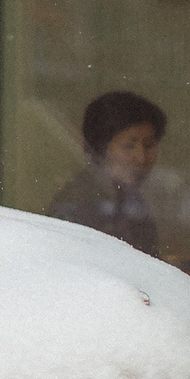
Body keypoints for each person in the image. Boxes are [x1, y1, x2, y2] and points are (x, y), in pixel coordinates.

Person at [46, 89, 167, 256]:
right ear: (100, 149)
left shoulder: (133, 200)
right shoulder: (78, 203)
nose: (141, 157)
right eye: (128, 146)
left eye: (149, 145)